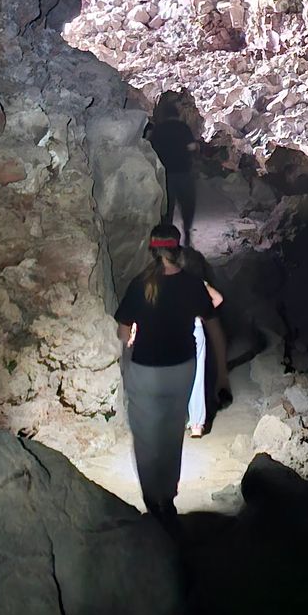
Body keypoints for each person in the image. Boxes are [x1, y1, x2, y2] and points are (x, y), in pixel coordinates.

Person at [115, 223, 228, 521]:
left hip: (145, 369)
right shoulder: (192, 284)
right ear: (177, 250)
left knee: (146, 435)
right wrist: (223, 375)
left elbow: (123, 329)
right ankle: (167, 495)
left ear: (151, 250)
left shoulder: (140, 284)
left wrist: (129, 345)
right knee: (171, 431)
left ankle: (153, 497)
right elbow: (215, 329)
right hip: (181, 368)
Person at [181, 245, 232, 437]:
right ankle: (196, 425)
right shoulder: (198, 283)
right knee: (197, 377)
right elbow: (218, 299)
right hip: (196, 329)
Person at [146, 102, 198, 244]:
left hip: (166, 174)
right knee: (187, 204)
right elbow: (192, 147)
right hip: (183, 171)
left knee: (167, 207)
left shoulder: (159, 129)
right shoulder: (183, 128)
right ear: (177, 114)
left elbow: (150, 149)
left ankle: (167, 238)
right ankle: (187, 231)